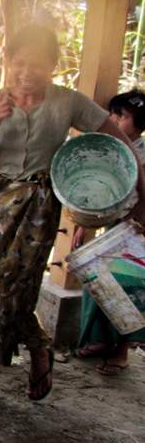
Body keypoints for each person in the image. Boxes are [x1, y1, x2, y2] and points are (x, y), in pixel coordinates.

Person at [0, 24, 145, 401]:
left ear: (53, 65)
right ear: (8, 62)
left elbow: (122, 143)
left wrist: (140, 195)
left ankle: (37, 350)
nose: (26, 71)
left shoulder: (69, 101)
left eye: (38, 64)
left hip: (41, 208)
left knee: (19, 288)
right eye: (19, 62)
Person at [73, 89, 145, 375]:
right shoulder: (113, 151)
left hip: (134, 231)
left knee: (124, 287)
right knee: (97, 284)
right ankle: (99, 340)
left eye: (123, 116)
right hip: (110, 227)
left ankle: (121, 351)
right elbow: (99, 191)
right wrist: (83, 224)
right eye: (113, 114)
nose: (114, 120)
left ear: (139, 125)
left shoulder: (141, 154)